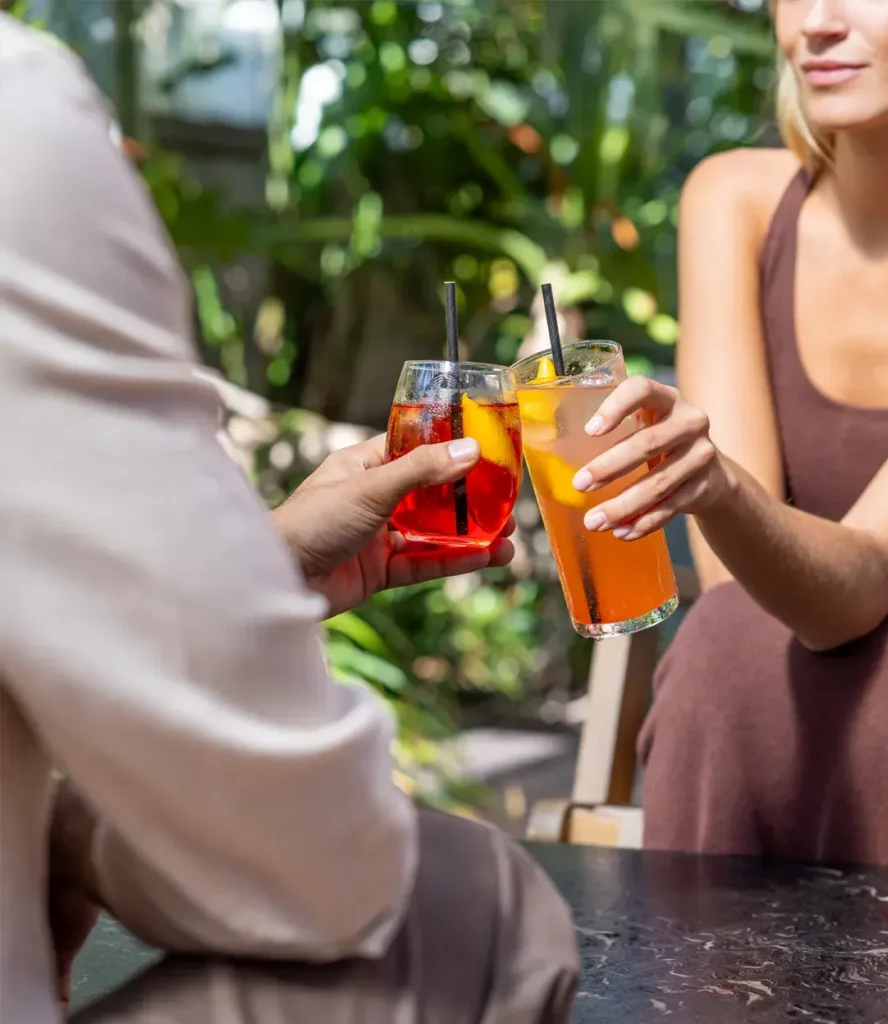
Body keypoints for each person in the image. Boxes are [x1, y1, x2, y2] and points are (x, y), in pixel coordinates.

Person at [0, 15, 577, 1024]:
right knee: (471, 902)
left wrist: (261, 562)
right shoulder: (16, 119)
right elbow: (315, 869)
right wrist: (75, 833)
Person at [569, 0, 888, 868]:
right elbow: (736, 578)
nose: (814, 21)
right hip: (780, 685)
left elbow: (839, 593)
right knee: (732, 638)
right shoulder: (733, 199)